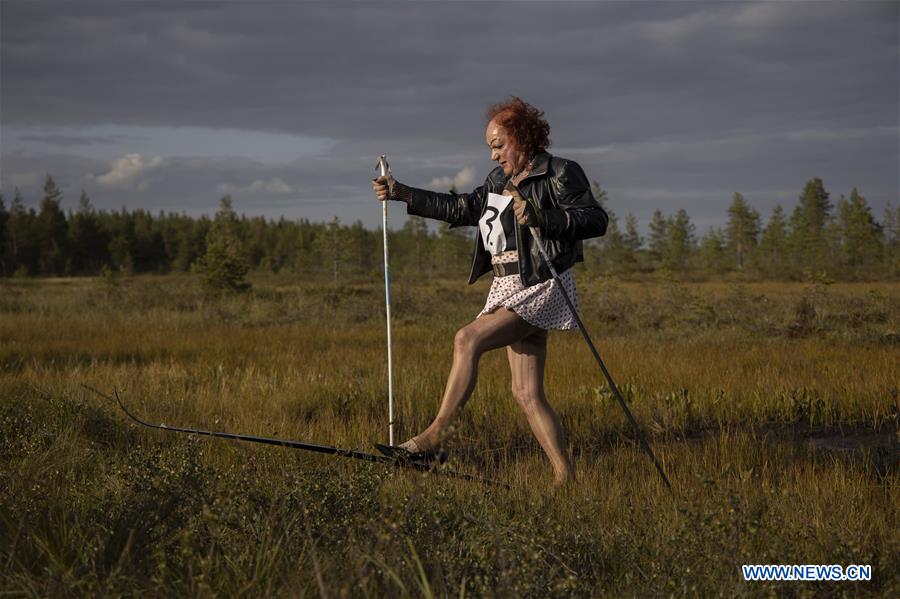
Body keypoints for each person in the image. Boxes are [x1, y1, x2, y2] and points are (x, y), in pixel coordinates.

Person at [371, 97, 608, 485]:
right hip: (505, 283)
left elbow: (595, 220)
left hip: (540, 283)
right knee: (526, 394)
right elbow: (463, 209)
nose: (494, 154)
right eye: (491, 148)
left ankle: (435, 439)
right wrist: (403, 193)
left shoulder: (561, 172)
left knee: (467, 339)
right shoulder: (498, 181)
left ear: (522, 137)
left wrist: (541, 216)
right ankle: (567, 479)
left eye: (499, 145)